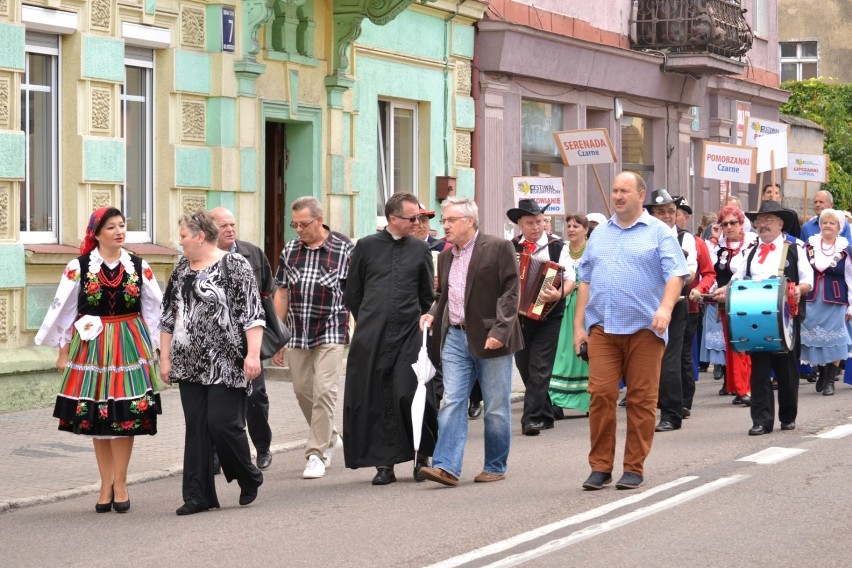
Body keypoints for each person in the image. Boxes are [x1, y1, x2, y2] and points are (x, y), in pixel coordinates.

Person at [35, 207, 163, 513]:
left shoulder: (138, 266)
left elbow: (154, 308)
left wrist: (156, 348)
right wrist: (63, 351)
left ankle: (121, 482)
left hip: (129, 344)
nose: (119, 231)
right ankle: (105, 483)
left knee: (124, 416)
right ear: (97, 234)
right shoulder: (79, 267)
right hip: (91, 347)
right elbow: (65, 312)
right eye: (111, 227)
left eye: (122, 226)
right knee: (98, 417)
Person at [574, 172, 689, 490]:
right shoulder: (599, 235)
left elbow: (676, 274)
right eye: (614, 191)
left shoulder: (659, 232)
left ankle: (633, 467)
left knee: (641, 399)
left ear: (641, 195)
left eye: (625, 191)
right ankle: (600, 466)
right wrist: (578, 328)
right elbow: (585, 279)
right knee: (600, 396)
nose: (618, 196)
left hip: (644, 330)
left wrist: (665, 308)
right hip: (604, 329)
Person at [160, 211, 265, 515]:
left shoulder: (235, 264)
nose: (179, 242)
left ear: (200, 236)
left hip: (227, 360)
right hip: (188, 361)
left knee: (222, 424)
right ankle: (198, 495)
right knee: (196, 427)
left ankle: (248, 475)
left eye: (183, 236)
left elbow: (252, 314)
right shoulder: (181, 269)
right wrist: (164, 358)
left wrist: (253, 354)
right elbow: (168, 316)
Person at [418, 197, 522, 486]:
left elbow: (511, 292)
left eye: (451, 220)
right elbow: (444, 296)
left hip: (492, 337)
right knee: (451, 400)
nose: (445, 225)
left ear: (470, 221)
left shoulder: (499, 247)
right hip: (455, 335)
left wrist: (500, 332)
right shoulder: (447, 255)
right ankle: (447, 467)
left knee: (496, 406)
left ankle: (495, 464)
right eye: (444, 220)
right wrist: (430, 313)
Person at [343, 192, 437, 485]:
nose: (417, 223)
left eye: (419, 217)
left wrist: (422, 326)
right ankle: (385, 463)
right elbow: (353, 294)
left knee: (411, 393)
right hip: (372, 337)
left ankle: (421, 457)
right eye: (412, 218)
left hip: (410, 334)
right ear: (393, 219)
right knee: (376, 398)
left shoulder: (420, 250)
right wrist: (371, 320)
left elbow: (427, 296)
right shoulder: (366, 247)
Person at [712, 201, 812, 435]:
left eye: (768, 220)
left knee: (787, 371)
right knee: (759, 369)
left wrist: (798, 290)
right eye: (759, 221)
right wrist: (723, 291)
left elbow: (809, 281)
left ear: (780, 224)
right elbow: (737, 279)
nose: (763, 225)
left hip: (786, 319)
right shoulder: (751, 252)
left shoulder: (796, 248)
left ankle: (787, 416)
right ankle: (762, 420)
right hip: (756, 319)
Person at [272, 197, 352, 479]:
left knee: (325, 391)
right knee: (302, 390)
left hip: (331, 329)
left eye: (303, 224)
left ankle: (316, 453)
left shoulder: (344, 249)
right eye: (294, 224)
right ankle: (330, 436)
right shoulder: (291, 249)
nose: (298, 230)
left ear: (319, 220)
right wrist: (278, 335)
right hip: (297, 331)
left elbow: (355, 294)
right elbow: (281, 292)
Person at [209, 207, 275, 471]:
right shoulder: (204, 257)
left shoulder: (252, 253)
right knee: (217, 400)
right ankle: (216, 455)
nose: (230, 229)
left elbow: (268, 292)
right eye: (223, 225)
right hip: (215, 342)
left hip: (249, 338)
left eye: (232, 224)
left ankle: (262, 447)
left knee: (255, 396)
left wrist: (269, 336)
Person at [509, 199, 570, 435]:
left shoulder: (558, 246)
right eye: (530, 223)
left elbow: (571, 278)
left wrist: (559, 293)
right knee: (524, 365)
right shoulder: (511, 247)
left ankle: (531, 418)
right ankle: (545, 411)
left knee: (540, 365)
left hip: (549, 314)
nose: (536, 227)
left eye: (539, 222)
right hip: (520, 315)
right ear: (520, 225)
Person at [645, 190, 696, 432]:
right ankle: (649, 407)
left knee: (669, 361)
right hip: (647, 306)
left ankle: (671, 414)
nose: (666, 216)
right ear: (651, 214)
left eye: (670, 211)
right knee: (646, 361)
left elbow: (689, 273)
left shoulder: (685, 239)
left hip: (675, 306)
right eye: (661, 212)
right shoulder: (643, 236)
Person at [703, 205, 756, 405]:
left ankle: (746, 389)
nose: (729, 227)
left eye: (733, 222)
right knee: (732, 345)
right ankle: (737, 387)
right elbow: (707, 264)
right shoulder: (720, 246)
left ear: (742, 224)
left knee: (744, 345)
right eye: (724, 224)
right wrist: (714, 238)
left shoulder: (751, 243)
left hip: (746, 300)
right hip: (725, 303)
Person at [801, 208, 852, 396]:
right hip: (813, 298)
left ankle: (830, 378)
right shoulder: (810, 245)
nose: (828, 226)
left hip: (836, 299)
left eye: (832, 223)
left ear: (839, 227)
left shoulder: (845, 249)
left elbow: (850, 278)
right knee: (816, 337)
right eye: (824, 222)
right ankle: (822, 371)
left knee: (836, 338)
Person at [548, 213, 591, 414]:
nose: (572, 229)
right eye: (569, 226)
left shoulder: (592, 249)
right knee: (563, 350)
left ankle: (590, 399)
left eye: (576, 226)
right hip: (566, 303)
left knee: (587, 351)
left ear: (586, 229)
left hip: (588, 304)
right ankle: (558, 399)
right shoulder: (563, 249)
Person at [676, 197, 715, 417]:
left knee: (682, 355)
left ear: (686, 217)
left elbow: (709, 273)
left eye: (679, 213)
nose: (673, 216)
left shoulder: (696, 242)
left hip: (688, 305)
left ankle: (684, 400)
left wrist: (699, 288)